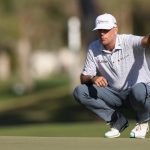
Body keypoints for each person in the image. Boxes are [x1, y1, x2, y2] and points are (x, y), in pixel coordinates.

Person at [73, 13, 150, 138]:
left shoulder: (128, 41)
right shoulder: (94, 48)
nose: (102, 33)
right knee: (80, 92)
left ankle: (143, 121)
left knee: (138, 90)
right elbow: (83, 77)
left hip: (141, 93)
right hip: (116, 95)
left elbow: (146, 40)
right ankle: (117, 121)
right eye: (100, 30)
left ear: (115, 30)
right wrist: (93, 78)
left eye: (106, 30)